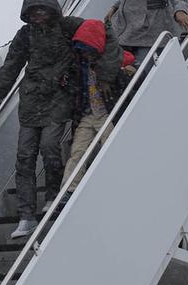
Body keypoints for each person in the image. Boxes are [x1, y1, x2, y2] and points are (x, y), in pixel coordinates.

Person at [0, 0, 123, 239]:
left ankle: (53, 196)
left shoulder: (68, 26)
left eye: (42, 9)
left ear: (52, 7)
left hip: (59, 97)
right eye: (33, 11)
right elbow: (9, 70)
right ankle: (26, 216)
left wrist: (107, 74)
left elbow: (103, 32)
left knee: (51, 147)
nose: (38, 15)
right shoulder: (25, 36)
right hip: (31, 102)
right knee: (24, 157)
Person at [58, 20, 136, 205]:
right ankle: (69, 190)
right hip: (88, 115)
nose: (86, 53)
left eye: (89, 49)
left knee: (110, 148)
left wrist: (124, 73)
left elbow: (126, 76)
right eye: (82, 50)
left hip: (107, 114)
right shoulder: (79, 67)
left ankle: (115, 183)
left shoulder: (115, 65)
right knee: (77, 151)